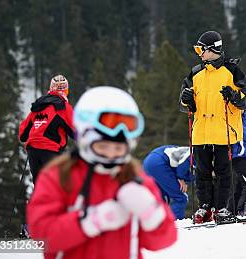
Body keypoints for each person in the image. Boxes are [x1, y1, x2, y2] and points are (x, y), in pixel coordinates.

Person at [26, 86, 176, 259]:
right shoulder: (59, 176)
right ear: (84, 139)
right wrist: (88, 222)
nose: (111, 154)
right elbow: (41, 235)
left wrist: (151, 214)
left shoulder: (135, 179)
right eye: (102, 147)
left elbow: (164, 239)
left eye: (119, 148)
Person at [179, 30, 246, 223]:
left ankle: (222, 208)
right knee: (202, 171)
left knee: (223, 172)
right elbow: (187, 104)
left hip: (224, 130)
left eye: (200, 49)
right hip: (201, 131)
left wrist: (235, 97)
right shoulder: (196, 73)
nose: (199, 54)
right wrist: (187, 100)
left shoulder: (232, 70)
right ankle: (205, 206)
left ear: (211, 49)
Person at [19, 74, 75, 183]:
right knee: (55, 185)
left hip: (32, 150)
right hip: (50, 150)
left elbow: (22, 135)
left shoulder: (38, 105)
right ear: (65, 91)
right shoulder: (63, 107)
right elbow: (76, 131)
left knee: (39, 185)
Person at [143, 145, 194, 220]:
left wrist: (182, 178)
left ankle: (155, 223)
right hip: (159, 162)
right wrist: (181, 177)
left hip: (149, 161)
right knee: (181, 197)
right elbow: (185, 162)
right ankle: (173, 222)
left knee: (161, 198)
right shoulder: (198, 153)